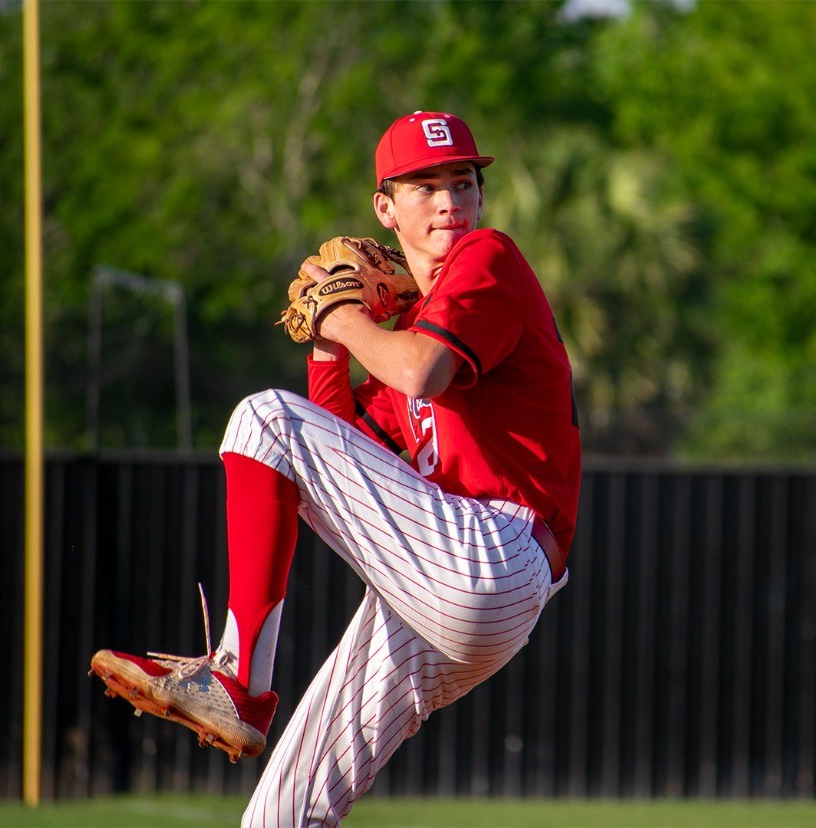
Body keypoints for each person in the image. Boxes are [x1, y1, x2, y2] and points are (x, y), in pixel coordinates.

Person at [91, 111, 581, 826]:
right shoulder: (408, 330)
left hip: (498, 554)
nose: (450, 199)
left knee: (262, 418)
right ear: (385, 209)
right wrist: (328, 346)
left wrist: (343, 320)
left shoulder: (489, 258)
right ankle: (240, 688)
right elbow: (340, 441)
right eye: (425, 185)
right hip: (438, 586)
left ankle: (238, 678)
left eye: (463, 181)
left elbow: (421, 374)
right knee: (280, 817)